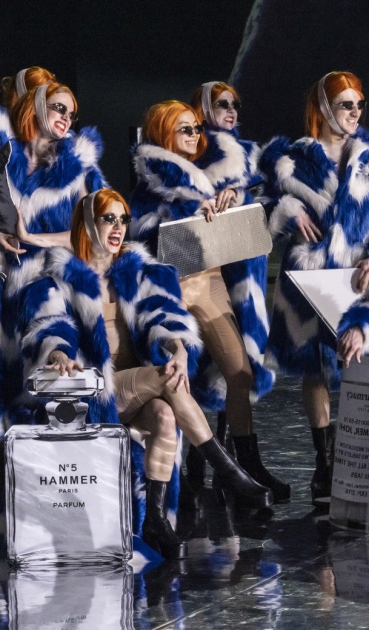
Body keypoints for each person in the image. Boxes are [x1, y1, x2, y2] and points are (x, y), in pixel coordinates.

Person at [20, 189, 273, 558]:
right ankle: (229, 471)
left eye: (123, 219)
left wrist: (179, 348)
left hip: (134, 391)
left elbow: (163, 316)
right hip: (93, 393)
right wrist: (58, 353)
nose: (118, 228)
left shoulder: (138, 272)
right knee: (165, 377)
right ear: (87, 224)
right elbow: (50, 327)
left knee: (166, 417)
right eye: (108, 219)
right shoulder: (57, 280)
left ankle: (155, 519)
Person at [0, 81, 106, 489]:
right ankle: (0, 458)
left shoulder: (73, 169)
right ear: (37, 108)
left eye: (71, 113)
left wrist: (36, 239)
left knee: (42, 355)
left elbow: (90, 233)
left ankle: (32, 471)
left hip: (40, 279)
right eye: (59, 108)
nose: (66, 118)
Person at [258, 71, 369, 505]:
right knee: (316, 369)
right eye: (346, 104)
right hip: (310, 278)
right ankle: (324, 464)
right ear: (324, 107)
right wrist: (288, 209)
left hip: (363, 278)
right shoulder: (291, 160)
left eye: (359, 104)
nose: (355, 112)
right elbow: (263, 211)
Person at [127, 98, 284, 505]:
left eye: (197, 128)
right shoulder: (150, 179)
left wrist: (232, 194)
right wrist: (186, 212)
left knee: (240, 373)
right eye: (185, 129)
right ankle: (184, 473)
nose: (196, 135)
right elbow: (140, 241)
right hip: (174, 292)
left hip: (211, 283)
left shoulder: (207, 175)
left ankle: (247, 465)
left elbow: (250, 204)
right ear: (164, 132)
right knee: (181, 382)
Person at [186, 81, 287, 502]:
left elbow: (268, 199)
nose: (231, 110)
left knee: (240, 363)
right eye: (221, 104)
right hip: (198, 272)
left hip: (242, 268)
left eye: (234, 104)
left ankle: (241, 460)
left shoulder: (248, 153)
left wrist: (240, 191)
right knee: (195, 364)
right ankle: (197, 461)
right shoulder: (188, 149)